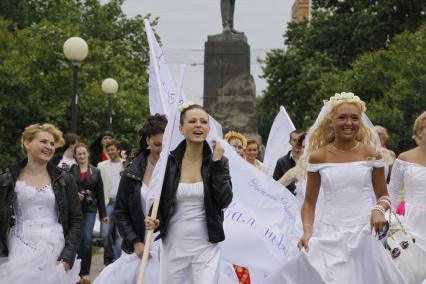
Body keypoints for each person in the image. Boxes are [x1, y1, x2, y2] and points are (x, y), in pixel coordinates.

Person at [275, 92, 406, 283]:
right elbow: (310, 201)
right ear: (331, 122)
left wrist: (378, 210)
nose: (349, 123)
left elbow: (384, 196)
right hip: (329, 234)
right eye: (342, 117)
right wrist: (307, 230)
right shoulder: (318, 157)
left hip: (365, 233)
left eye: (354, 118)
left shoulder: (372, 155)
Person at [146, 104, 233, 284]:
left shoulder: (218, 162)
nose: (198, 125)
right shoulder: (167, 162)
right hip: (174, 244)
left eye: (203, 122)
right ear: (181, 128)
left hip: (207, 244)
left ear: (209, 128)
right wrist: (154, 219)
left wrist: (216, 164)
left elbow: (224, 200)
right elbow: (157, 201)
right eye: (192, 121)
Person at [0, 123, 82, 283]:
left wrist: (67, 257)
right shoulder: (6, 179)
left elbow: (76, 219)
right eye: (43, 142)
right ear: (27, 143)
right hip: (19, 247)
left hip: (55, 248)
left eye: (52, 144)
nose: (49, 147)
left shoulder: (65, 179)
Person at [93, 114, 167, 284]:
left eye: (165, 144)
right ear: (148, 140)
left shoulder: (175, 170)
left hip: (167, 246)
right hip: (140, 246)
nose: (161, 149)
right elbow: (121, 211)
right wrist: (136, 242)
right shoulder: (131, 172)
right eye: (157, 144)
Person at [70, 143, 107, 284]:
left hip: (90, 210)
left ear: (88, 154)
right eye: (79, 154)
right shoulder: (70, 171)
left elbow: (100, 193)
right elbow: (66, 190)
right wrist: (75, 196)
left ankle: (85, 273)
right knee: (76, 240)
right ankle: (76, 272)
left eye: (83, 153)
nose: (81, 156)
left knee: (86, 238)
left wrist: (104, 214)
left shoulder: (95, 171)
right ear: (75, 156)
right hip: (74, 209)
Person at [389, 111, 426, 252]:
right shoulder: (404, 159)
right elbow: (392, 194)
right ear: (419, 132)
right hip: (412, 221)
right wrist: (391, 223)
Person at [97, 139, 125, 265]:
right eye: (108, 150)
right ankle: (109, 256)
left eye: (113, 149)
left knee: (120, 237)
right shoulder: (101, 165)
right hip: (108, 203)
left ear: (118, 150)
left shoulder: (126, 164)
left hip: (122, 204)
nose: (110, 152)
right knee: (104, 233)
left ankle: (117, 262)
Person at [273, 129, 305, 194]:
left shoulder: (311, 160)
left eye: (300, 140)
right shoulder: (281, 161)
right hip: (287, 200)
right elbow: (274, 184)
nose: (298, 143)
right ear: (289, 142)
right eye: (295, 140)